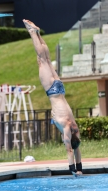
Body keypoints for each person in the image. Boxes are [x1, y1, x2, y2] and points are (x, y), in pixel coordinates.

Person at [23, 19, 82, 175]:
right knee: (42, 61)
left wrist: (80, 169)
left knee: (46, 59)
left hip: (60, 88)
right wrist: (73, 170)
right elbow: (70, 151)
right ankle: (31, 31)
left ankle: (37, 32)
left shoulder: (75, 128)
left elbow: (77, 150)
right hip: (53, 92)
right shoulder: (68, 129)